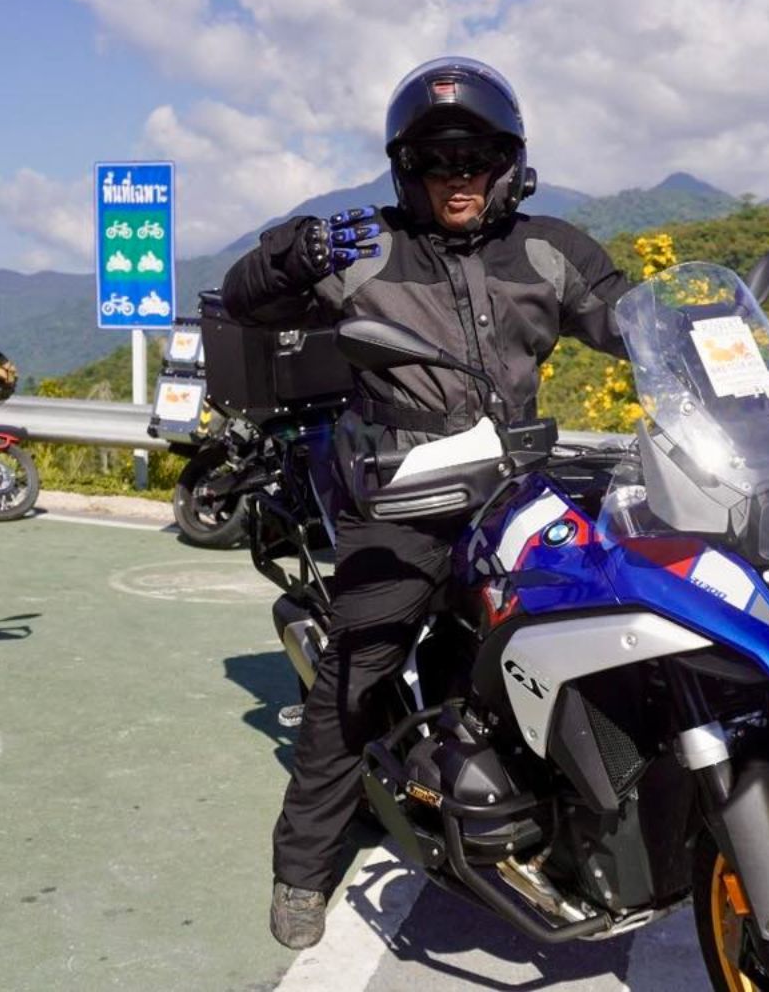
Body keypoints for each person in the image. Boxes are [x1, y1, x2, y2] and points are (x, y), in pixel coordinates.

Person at [220, 56, 630, 949]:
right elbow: (248, 302)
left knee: (607, 620)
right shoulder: (363, 247)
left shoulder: (551, 248)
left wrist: (719, 349)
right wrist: (293, 252)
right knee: (357, 676)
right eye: (438, 160)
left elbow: (631, 320)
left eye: (474, 157)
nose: (457, 176)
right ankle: (300, 868)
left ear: (508, 162)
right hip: (403, 498)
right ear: (408, 167)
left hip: (513, 492)